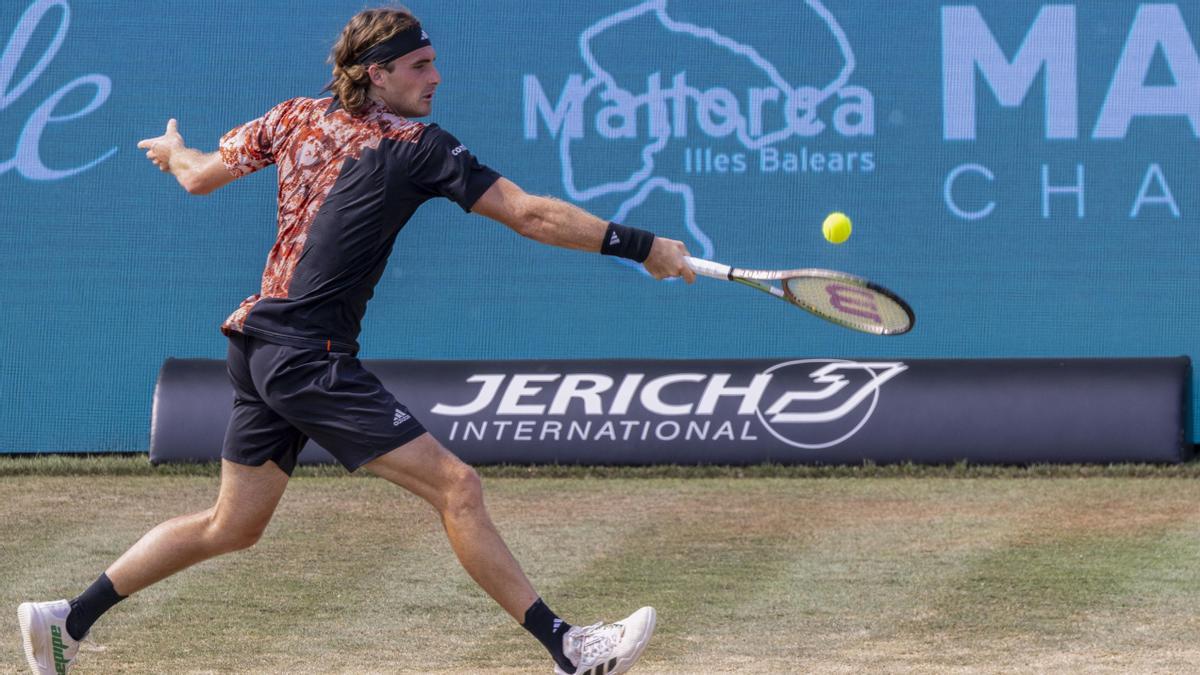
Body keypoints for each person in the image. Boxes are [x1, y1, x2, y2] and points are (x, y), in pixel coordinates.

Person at [17, 7, 694, 675]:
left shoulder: (292, 117)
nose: (435, 78)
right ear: (377, 75)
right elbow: (529, 214)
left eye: (434, 64)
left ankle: (66, 619)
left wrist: (172, 154)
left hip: (257, 345)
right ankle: (569, 648)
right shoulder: (418, 147)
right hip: (307, 353)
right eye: (419, 67)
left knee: (233, 524)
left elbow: (198, 175)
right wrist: (643, 245)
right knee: (457, 487)